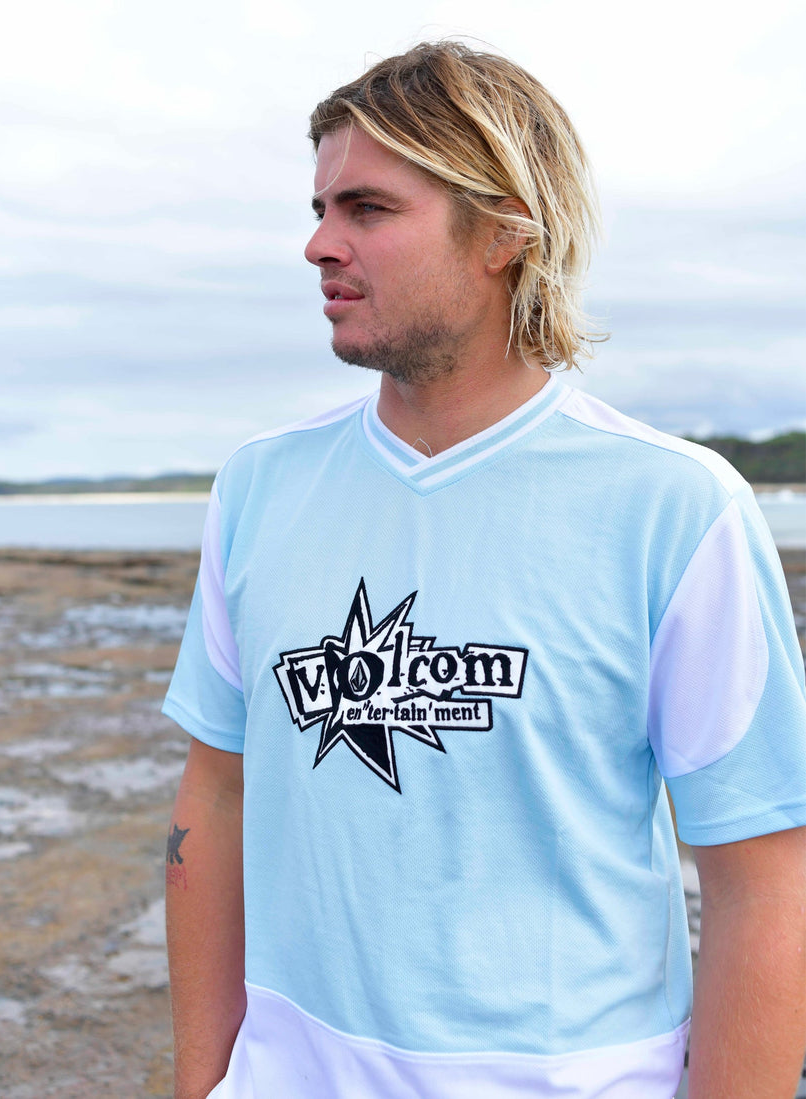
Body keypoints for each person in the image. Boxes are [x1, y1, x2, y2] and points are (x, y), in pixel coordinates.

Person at [163, 41, 806, 1099]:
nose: (319, 244)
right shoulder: (259, 488)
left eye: (368, 208)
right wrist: (203, 1082)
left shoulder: (673, 506)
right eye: (319, 208)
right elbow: (217, 793)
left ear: (505, 230)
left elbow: (761, 878)